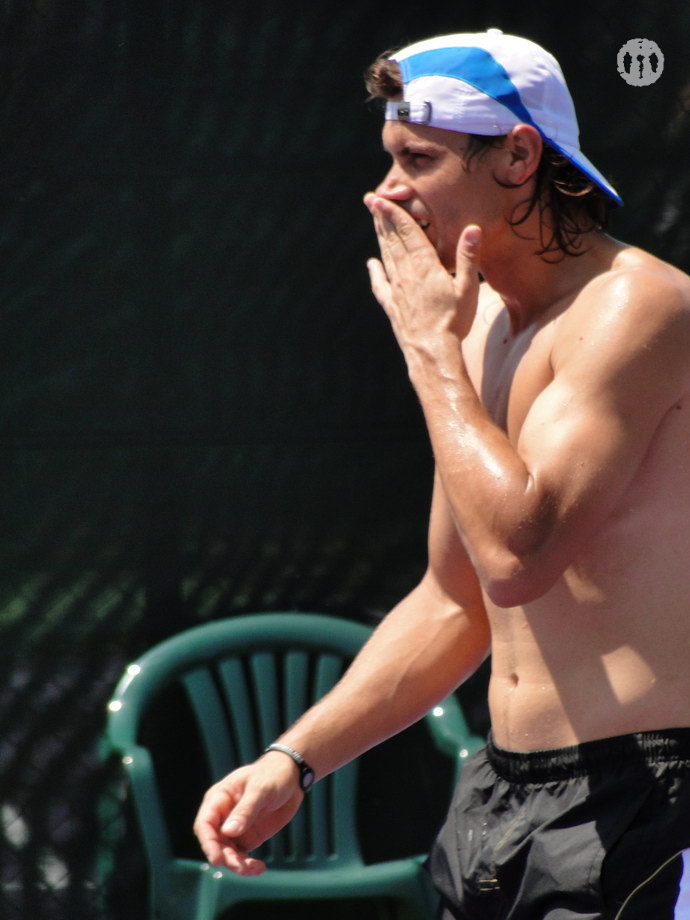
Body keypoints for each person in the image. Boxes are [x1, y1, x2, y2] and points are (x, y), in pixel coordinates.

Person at [195, 30, 690, 919]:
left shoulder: (639, 307)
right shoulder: (475, 326)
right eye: (390, 157)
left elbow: (517, 556)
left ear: (518, 155)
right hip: (497, 800)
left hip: (647, 803)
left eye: (417, 159)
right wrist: (294, 759)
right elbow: (456, 600)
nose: (387, 191)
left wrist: (430, 353)